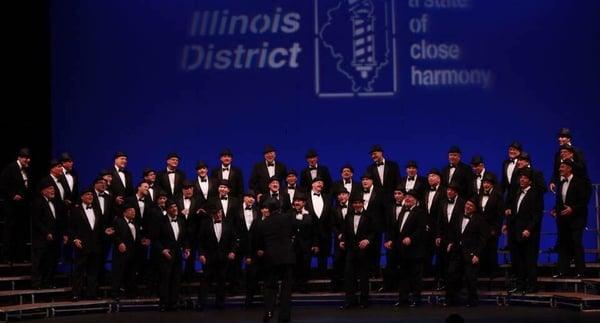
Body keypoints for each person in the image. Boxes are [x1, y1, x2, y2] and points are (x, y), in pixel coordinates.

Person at [254, 199, 295, 323]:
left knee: (270, 287)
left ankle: (269, 311)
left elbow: (258, 240)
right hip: (287, 258)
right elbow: (298, 229)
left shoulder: (263, 223)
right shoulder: (288, 218)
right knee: (286, 289)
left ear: (269, 209)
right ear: (279, 207)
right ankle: (284, 316)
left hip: (271, 259)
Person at [154, 199, 191, 311]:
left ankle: (173, 303)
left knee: (176, 279)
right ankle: (163, 304)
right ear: (167, 209)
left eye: (176, 206)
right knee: (165, 280)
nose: (175, 209)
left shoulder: (181, 220)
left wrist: (186, 248)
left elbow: (184, 237)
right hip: (166, 255)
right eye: (172, 207)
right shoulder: (161, 221)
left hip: (178, 255)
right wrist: (163, 250)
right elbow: (155, 239)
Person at [339, 194, 374, 310]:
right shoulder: (348, 215)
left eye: (359, 203)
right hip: (350, 250)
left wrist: (368, 240)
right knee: (349, 276)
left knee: (364, 276)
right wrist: (342, 240)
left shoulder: (369, 215)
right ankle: (350, 301)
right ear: (352, 204)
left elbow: (374, 232)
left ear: (363, 203)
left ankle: (364, 301)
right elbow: (345, 230)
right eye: (355, 203)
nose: (357, 205)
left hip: (364, 250)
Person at [0, 148, 32, 263]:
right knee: (9, 231)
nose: (27, 160)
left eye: (28, 158)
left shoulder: (27, 170)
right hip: (11, 207)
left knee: (21, 232)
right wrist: (13, 195)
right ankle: (6, 257)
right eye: (25, 158)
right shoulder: (11, 168)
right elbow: (3, 185)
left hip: (22, 207)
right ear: (19, 157)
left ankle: (20, 256)